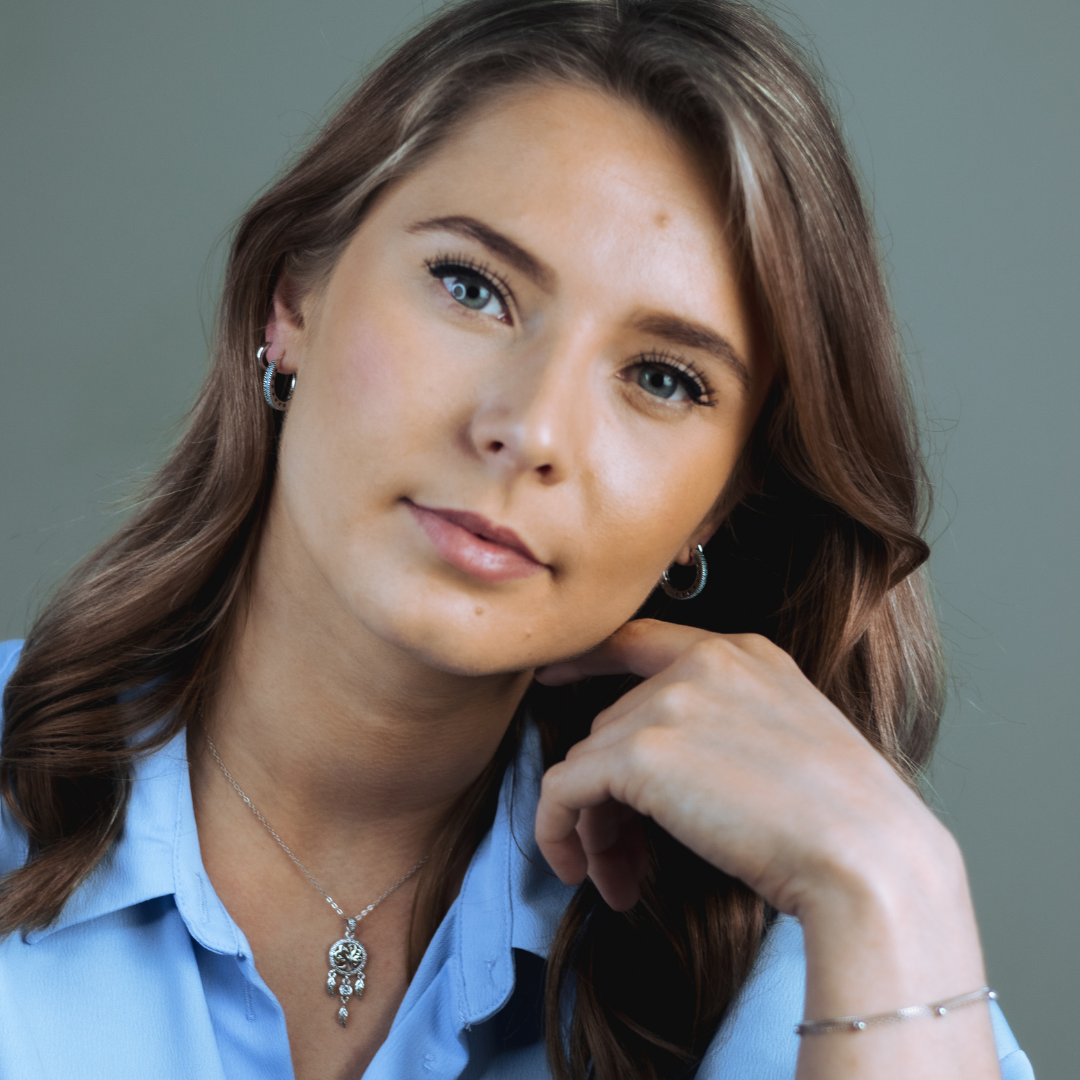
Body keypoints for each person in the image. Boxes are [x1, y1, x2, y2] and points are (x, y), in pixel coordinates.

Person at [0, 1, 1035, 1078]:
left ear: (716, 509)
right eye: (472, 287)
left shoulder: (828, 955)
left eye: (663, 379)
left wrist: (895, 881)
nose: (530, 428)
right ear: (293, 299)